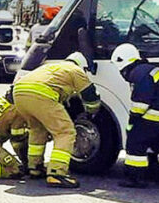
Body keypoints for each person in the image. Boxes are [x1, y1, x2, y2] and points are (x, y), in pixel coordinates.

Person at [12, 52, 100, 188]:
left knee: (38, 129)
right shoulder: (76, 70)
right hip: (40, 94)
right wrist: (91, 112)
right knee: (65, 132)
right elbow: (90, 95)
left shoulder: (54, 67)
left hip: (19, 93)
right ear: (83, 66)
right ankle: (57, 173)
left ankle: (34, 167)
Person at [110, 43, 159, 188]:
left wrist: (131, 124)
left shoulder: (138, 73)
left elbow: (140, 103)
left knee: (135, 141)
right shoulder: (150, 69)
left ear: (123, 62)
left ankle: (135, 178)